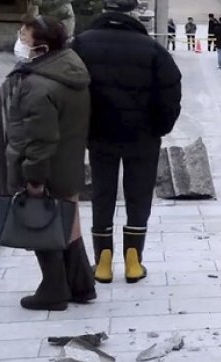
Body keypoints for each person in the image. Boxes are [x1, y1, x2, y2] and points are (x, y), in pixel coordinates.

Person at [72, 0, 182, 285]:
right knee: (139, 194)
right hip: (142, 136)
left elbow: (71, 88)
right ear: (134, 13)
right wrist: (160, 127)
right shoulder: (153, 49)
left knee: (103, 192)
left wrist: (82, 127)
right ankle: (134, 259)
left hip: (99, 134)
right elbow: (170, 90)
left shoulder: (81, 45)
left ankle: (103, 261)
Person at [3, 15, 94, 310]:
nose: (19, 40)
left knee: (42, 223)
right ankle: (81, 285)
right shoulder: (70, 69)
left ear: (40, 48)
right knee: (68, 225)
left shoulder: (40, 86)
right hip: (69, 162)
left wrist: (33, 178)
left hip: (48, 167)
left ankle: (53, 290)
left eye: (24, 36)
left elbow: (39, 139)